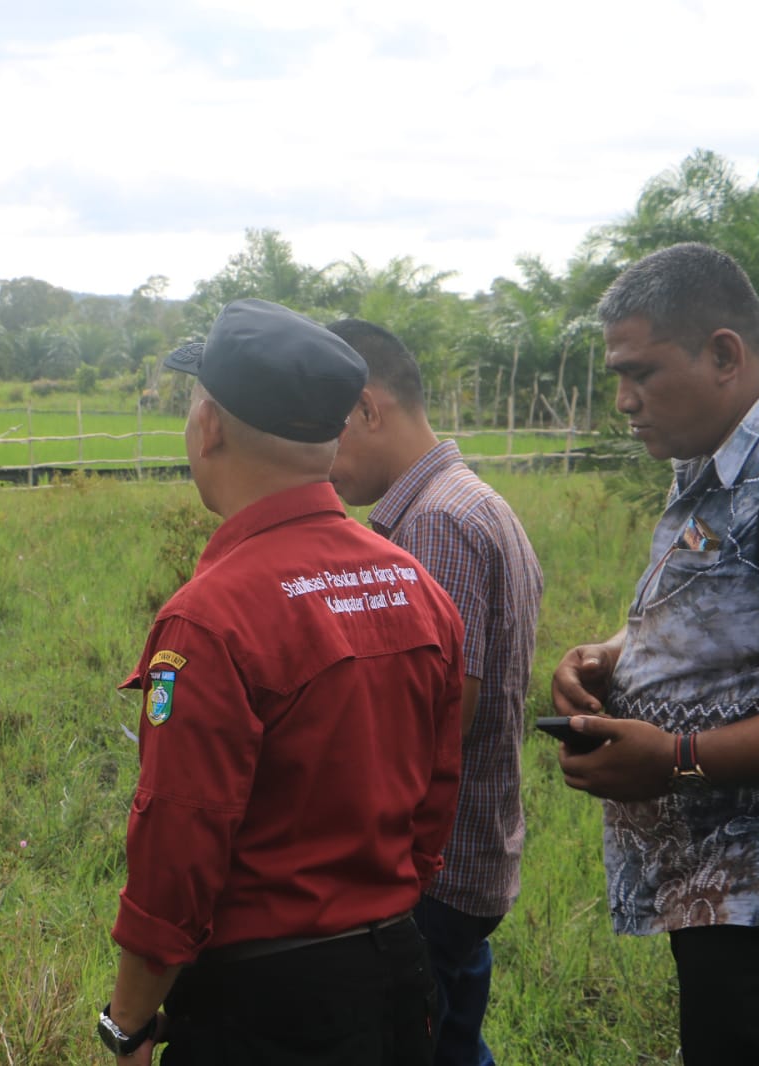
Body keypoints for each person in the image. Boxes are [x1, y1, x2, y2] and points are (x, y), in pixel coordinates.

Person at [99, 299, 465, 1065]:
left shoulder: (209, 620)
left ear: (210, 428)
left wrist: (126, 1021)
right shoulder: (415, 586)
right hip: (399, 975)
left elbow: (178, 850)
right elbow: (435, 802)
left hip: (266, 1006)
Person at [552, 242, 759, 1064]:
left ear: (723, 353)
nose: (622, 401)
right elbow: (716, 600)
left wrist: (679, 759)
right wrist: (613, 654)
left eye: (640, 373)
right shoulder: (714, 450)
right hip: (723, 890)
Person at [325, 318, 542, 1066]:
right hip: (466, 861)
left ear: (364, 407)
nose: (321, 460)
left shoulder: (434, 524)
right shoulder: (472, 500)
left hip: (433, 869)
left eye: (326, 428)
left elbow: (442, 715)